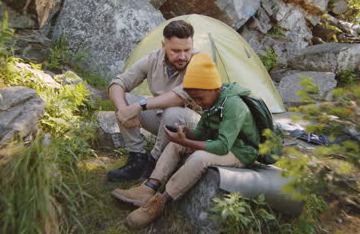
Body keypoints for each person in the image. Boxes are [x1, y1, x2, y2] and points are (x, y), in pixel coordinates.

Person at [111, 53, 260, 229]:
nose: (197, 103)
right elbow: (201, 132)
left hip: (240, 151)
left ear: (215, 89)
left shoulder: (233, 105)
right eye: (194, 99)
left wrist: (188, 143)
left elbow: (222, 146)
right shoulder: (211, 101)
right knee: (176, 144)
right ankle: (149, 187)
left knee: (200, 158)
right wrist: (186, 133)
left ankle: (160, 202)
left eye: (200, 99)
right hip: (221, 144)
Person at [107, 20, 201, 182]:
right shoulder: (153, 59)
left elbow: (179, 97)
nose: (183, 56)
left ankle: (154, 161)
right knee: (124, 99)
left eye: (187, 50)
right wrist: (124, 109)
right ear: (164, 46)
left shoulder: (200, 62)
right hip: (163, 119)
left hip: (194, 126)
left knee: (173, 111)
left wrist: (140, 106)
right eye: (176, 51)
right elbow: (118, 83)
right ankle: (137, 158)